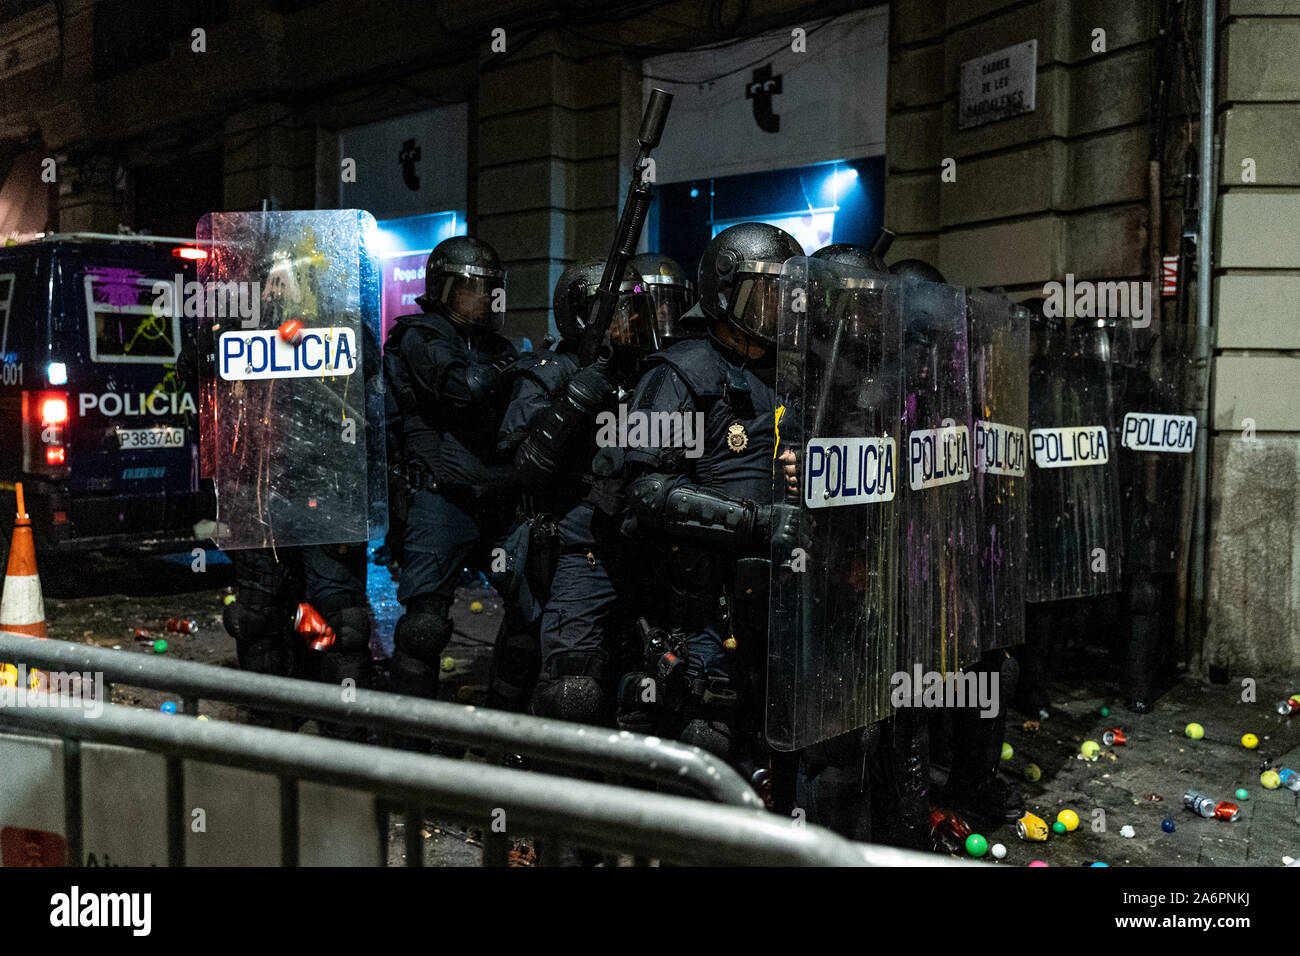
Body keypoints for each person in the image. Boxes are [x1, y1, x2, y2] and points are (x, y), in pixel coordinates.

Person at [622, 222, 802, 777]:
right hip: (707, 595)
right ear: (724, 295)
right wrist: (753, 521)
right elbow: (647, 489)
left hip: (788, 590)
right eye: (764, 293)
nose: (778, 308)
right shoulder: (685, 372)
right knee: (710, 732)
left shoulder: (796, 371)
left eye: (786, 294)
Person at [504, 259, 664, 727]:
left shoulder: (648, 375)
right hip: (575, 545)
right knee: (569, 684)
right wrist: (575, 397)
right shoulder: (549, 371)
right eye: (620, 312)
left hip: (639, 541)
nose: (633, 321)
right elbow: (522, 462)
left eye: (638, 310)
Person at [382, 235, 523, 721]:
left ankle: (507, 734)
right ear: (443, 288)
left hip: (498, 499)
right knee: (423, 629)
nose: (485, 296)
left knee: (532, 612)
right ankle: (413, 744)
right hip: (440, 502)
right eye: (472, 287)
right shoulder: (420, 337)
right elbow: (465, 388)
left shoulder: (497, 346)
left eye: (491, 287)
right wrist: (516, 365)